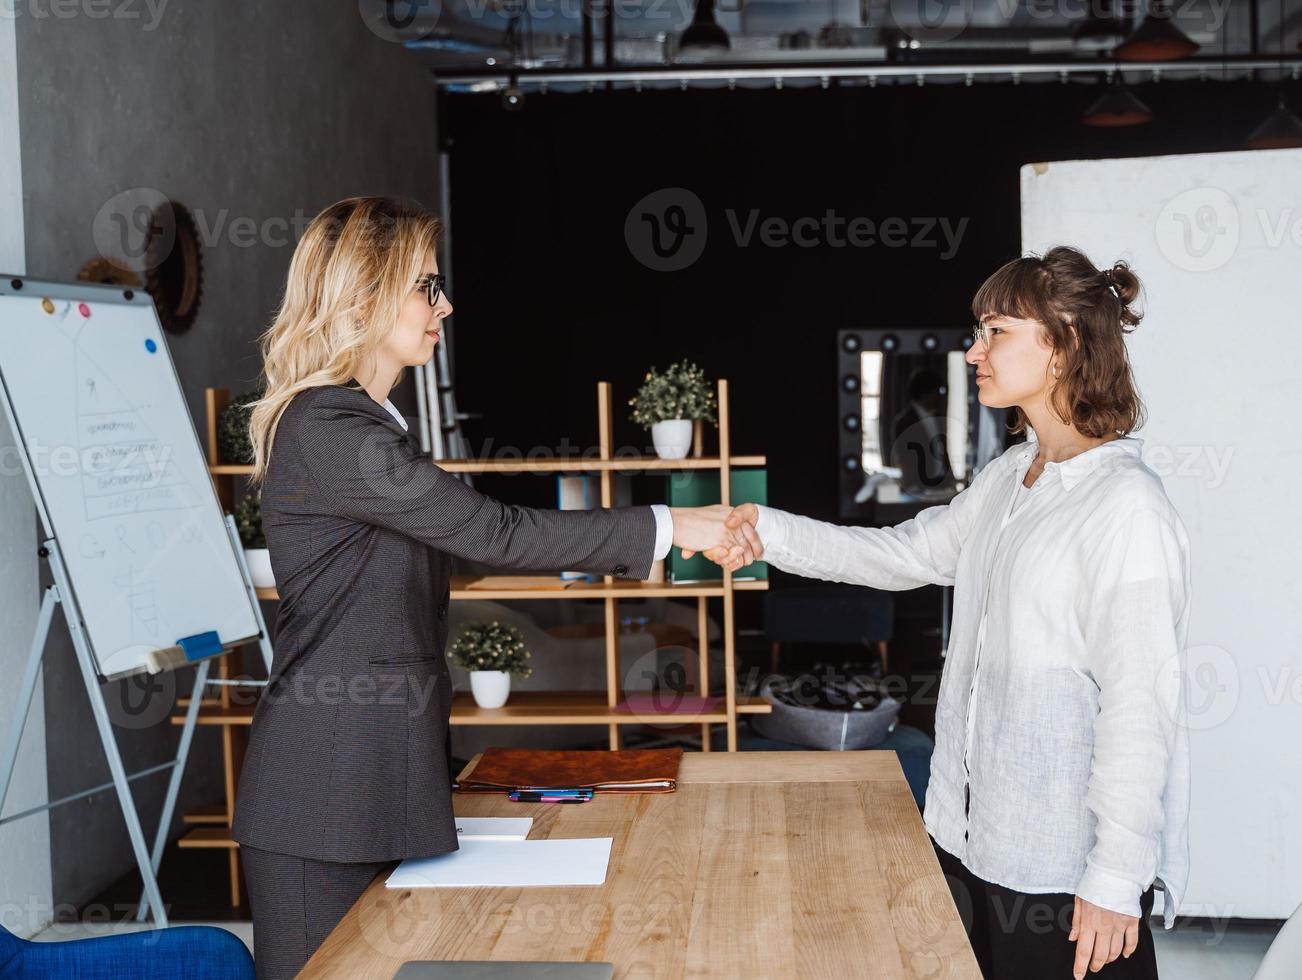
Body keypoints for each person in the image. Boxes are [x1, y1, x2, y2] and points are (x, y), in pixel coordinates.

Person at [230, 196, 755, 978]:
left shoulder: (365, 424)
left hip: (377, 782)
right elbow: (492, 533)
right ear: (365, 296)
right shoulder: (329, 429)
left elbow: (464, 546)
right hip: (325, 800)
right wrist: (671, 527)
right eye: (427, 286)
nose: (447, 305)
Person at [727, 246, 1191, 979]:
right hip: (972, 841)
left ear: (1065, 342)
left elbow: (1140, 707)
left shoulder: (1125, 507)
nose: (974, 351)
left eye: (996, 331)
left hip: (1060, 877)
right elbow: (899, 555)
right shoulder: (1012, 478)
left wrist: (1114, 878)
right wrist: (766, 530)